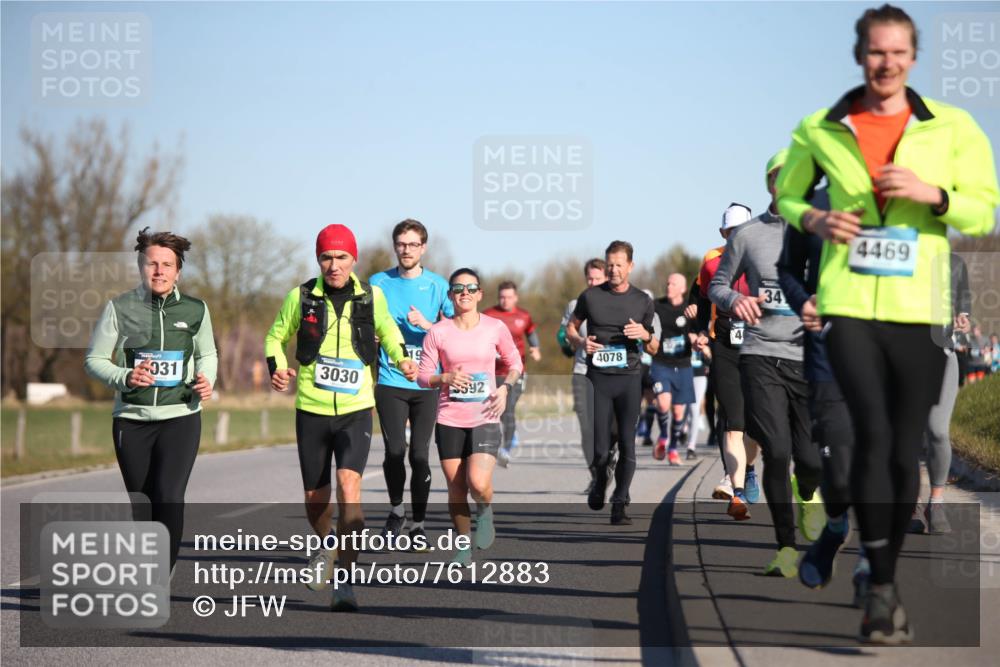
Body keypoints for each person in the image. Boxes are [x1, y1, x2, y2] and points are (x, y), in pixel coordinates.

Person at [776, 4, 999, 643]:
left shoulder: (952, 127)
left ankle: (878, 565)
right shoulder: (822, 127)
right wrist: (814, 220)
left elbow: (985, 209)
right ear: (860, 56)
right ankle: (880, 591)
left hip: (921, 309)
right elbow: (789, 195)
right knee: (871, 433)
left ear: (913, 57)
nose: (887, 63)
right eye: (877, 52)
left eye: (899, 52)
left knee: (903, 449)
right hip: (848, 304)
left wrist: (934, 195)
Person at [265, 224, 417, 612]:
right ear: (319, 260)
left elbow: (390, 330)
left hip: (355, 410)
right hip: (312, 409)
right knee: (316, 499)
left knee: (350, 490)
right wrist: (277, 367)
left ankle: (345, 582)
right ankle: (323, 544)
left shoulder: (371, 297)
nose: (334, 265)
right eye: (326, 257)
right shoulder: (300, 296)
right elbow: (274, 337)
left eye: (341, 257)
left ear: (354, 259)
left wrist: (402, 357)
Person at [709, 151, 825, 576]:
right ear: (770, 183)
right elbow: (718, 286)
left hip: (808, 357)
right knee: (777, 451)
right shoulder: (748, 234)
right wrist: (737, 299)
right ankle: (787, 548)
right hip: (760, 353)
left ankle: (808, 491)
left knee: (809, 459)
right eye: (779, 175)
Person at [85, 227, 217, 573]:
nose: (159, 271)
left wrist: (207, 380)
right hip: (132, 419)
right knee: (143, 504)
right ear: (141, 267)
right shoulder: (120, 307)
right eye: (152, 264)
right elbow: (95, 360)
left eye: (167, 265)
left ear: (178, 271)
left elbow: (208, 355)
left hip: (181, 416)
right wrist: (125, 376)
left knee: (169, 495)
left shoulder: (196, 309)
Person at [777, 193, 870, 607]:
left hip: (890, 351)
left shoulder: (904, 190)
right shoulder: (816, 204)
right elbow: (789, 268)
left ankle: (872, 564)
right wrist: (803, 300)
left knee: (884, 463)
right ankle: (835, 526)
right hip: (828, 353)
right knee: (840, 471)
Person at [417, 268, 523, 566]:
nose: (464, 293)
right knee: (457, 488)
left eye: (470, 288)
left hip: (486, 415)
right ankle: (462, 544)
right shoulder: (438, 331)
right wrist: (445, 377)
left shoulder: (494, 327)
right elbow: (423, 377)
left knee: (477, 482)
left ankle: (485, 511)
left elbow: (514, 363)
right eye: (458, 288)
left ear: (479, 294)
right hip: (449, 418)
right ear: (450, 295)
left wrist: (505, 389)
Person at [370, 219, 453, 545]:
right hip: (390, 379)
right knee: (394, 450)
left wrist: (428, 324)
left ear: (423, 248)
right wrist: (373, 337)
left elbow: (454, 330)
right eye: (401, 244)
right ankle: (396, 511)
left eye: (413, 244)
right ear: (395, 246)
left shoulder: (437, 285)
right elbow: (360, 321)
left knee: (419, 455)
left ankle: (418, 525)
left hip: (427, 382)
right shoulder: (378, 282)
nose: (406, 250)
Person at [567, 240, 655, 525]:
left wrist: (644, 334)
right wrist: (581, 341)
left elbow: (654, 347)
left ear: (630, 266)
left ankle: (620, 503)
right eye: (610, 264)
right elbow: (570, 327)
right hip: (598, 381)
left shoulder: (642, 301)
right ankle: (599, 480)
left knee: (628, 444)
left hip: (629, 379)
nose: (614, 270)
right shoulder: (590, 297)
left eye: (619, 265)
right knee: (600, 448)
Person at [693, 204, 761, 513]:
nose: (735, 237)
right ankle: (736, 492)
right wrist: (700, 330)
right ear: (722, 233)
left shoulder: (765, 257)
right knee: (733, 421)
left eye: (740, 231)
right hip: (725, 347)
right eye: (729, 232)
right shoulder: (711, 261)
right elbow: (702, 297)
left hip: (761, 347)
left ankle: (747, 469)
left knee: (756, 426)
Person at [909, 253, 971, 535]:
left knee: (937, 431)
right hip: (901, 356)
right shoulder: (898, 256)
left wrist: (962, 322)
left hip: (941, 355)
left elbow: (964, 316)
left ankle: (936, 502)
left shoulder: (955, 264)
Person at [560, 258, 609, 493]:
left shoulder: (616, 302)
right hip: (582, 371)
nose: (592, 282)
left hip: (610, 373)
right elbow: (566, 334)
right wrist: (580, 341)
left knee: (608, 428)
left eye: (597, 278)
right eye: (589, 278)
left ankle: (609, 461)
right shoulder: (574, 304)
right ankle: (597, 475)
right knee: (586, 428)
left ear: (606, 278)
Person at [484, 281, 540, 467]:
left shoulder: (523, 316)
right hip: (492, 372)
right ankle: (507, 435)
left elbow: (531, 333)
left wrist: (535, 348)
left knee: (508, 409)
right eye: (502, 297)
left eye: (509, 297)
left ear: (515, 298)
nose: (505, 300)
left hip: (515, 372)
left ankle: (505, 450)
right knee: (494, 411)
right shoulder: (488, 315)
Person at [650, 273, 698, 465]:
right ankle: (663, 437)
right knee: (662, 404)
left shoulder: (690, 309)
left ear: (683, 288)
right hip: (661, 362)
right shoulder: (656, 305)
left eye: (674, 283)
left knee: (679, 413)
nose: (669, 286)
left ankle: (672, 449)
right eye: (668, 282)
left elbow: (699, 331)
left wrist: (696, 339)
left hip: (683, 365)